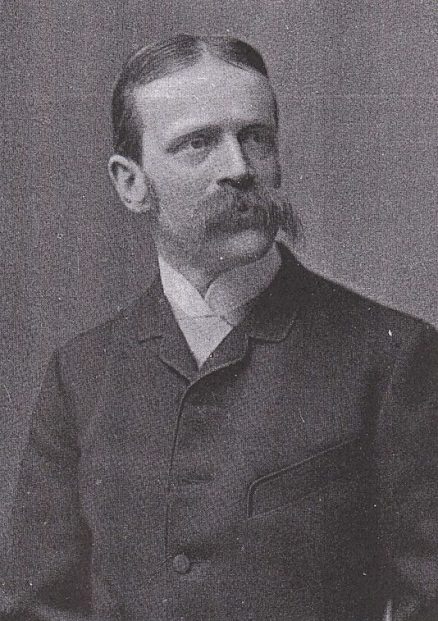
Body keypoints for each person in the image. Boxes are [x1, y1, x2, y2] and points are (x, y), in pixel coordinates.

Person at [1, 33, 437, 621]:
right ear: (131, 183)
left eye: (256, 138)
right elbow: (35, 607)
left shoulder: (393, 358)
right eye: (198, 143)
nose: (239, 168)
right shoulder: (80, 376)